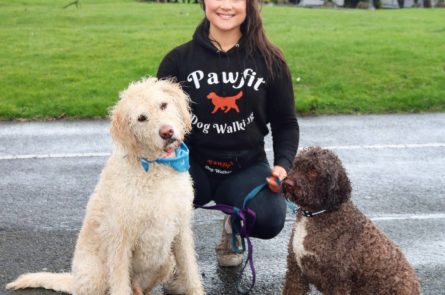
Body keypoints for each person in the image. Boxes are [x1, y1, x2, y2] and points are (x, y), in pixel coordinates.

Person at [157, 0, 299, 268]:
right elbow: (160, 119)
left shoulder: (271, 61)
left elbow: (286, 122)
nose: (225, 5)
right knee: (156, 205)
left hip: (245, 166)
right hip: (191, 165)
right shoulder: (178, 60)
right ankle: (171, 260)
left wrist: (282, 166)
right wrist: (164, 153)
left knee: (269, 219)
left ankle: (235, 224)